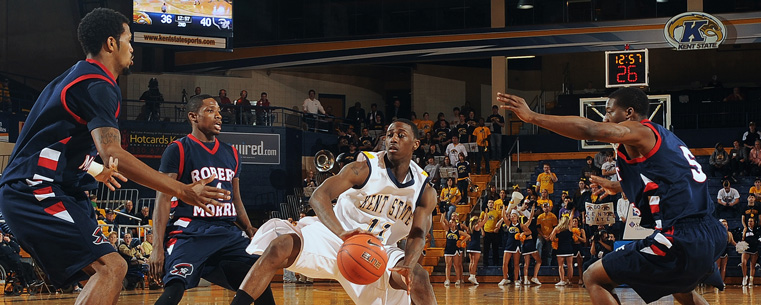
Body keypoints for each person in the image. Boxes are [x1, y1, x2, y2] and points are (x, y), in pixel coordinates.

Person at [0, 9, 228, 305]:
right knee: (113, 268)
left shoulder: (78, 76)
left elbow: (56, 143)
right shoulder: (98, 85)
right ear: (111, 43)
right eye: (128, 39)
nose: (132, 47)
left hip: (49, 187)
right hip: (34, 189)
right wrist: (181, 190)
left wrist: (94, 168)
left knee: (109, 274)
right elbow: (113, 152)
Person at [498, 87, 727, 304]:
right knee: (680, 286)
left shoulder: (639, 129)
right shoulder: (666, 138)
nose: (605, 118)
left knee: (593, 276)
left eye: (609, 112)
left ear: (629, 113)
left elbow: (590, 129)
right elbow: (669, 181)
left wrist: (533, 117)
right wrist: (618, 187)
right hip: (711, 231)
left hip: (682, 235)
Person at [236, 119, 437, 305]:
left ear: (416, 144)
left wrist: (408, 264)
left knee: (419, 277)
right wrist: (341, 233)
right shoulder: (364, 169)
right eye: (390, 134)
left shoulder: (424, 189)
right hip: (336, 236)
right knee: (280, 246)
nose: (393, 138)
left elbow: (418, 233)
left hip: (378, 249)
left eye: (401, 135)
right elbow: (319, 196)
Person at [150, 95, 274, 305]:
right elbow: (162, 199)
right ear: (193, 116)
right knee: (175, 287)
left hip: (227, 232)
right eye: (210, 111)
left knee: (259, 277)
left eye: (219, 112)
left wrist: (248, 226)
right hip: (191, 230)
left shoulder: (232, 153)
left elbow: (236, 198)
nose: (218, 116)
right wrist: (156, 247)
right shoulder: (178, 149)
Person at [441, 212, 468, 286]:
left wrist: (462, 241)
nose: (450, 223)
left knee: (456, 265)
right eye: (449, 222)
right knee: (448, 265)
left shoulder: (458, 232)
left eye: (452, 222)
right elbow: (441, 221)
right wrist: (443, 212)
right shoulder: (447, 230)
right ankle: (447, 280)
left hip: (456, 249)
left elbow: (468, 236)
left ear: (455, 224)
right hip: (448, 249)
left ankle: (458, 280)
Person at [519, 201, 542, 285]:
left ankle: (525, 279)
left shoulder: (519, 226)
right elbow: (531, 215)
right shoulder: (526, 225)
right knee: (539, 261)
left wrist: (517, 210)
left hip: (524, 245)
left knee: (526, 263)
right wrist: (533, 207)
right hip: (530, 244)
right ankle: (534, 277)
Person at [498, 210, 521, 286]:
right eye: (511, 216)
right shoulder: (509, 224)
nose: (512, 217)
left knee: (516, 264)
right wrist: (505, 209)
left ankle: (516, 280)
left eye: (514, 216)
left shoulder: (520, 225)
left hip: (516, 246)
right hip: (508, 245)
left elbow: (529, 231)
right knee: (505, 263)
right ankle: (505, 278)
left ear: (517, 217)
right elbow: (504, 217)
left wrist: (523, 234)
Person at [551, 216, 574, 286]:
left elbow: (551, 238)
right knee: (570, 265)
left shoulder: (557, 229)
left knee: (560, 266)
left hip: (561, 249)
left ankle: (562, 280)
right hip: (569, 248)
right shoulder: (570, 228)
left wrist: (556, 239)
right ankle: (569, 281)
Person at [481, 199, 502, 267]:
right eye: (489, 202)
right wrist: (482, 231)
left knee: (495, 249)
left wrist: (498, 228)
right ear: (487, 204)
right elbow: (479, 222)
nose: (491, 204)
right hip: (486, 232)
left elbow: (501, 221)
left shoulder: (497, 212)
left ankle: (496, 263)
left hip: (494, 232)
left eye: (492, 202)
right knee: (486, 249)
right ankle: (485, 263)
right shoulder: (483, 213)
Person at [466, 214, 486, 285]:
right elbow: (485, 220)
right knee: (475, 262)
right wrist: (486, 213)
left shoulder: (471, 227)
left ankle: (471, 275)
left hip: (470, 245)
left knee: (471, 262)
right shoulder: (477, 226)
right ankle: (472, 276)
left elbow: (483, 234)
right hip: (475, 246)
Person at [715, 219, 736, 284]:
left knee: (724, 267)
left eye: (726, 225)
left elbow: (733, 242)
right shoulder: (716, 233)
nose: (725, 226)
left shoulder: (729, 234)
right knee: (718, 267)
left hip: (725, 251)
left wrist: (740, 246)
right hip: (718, 251)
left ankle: (722, 281)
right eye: (723, 225)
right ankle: (716, 281)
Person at [537, 203, 558, 267]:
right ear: (542, 208)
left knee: (549, 250)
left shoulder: (553, 216)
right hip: (542, 235)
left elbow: (555, 228)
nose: (546, 208)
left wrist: (551, 235)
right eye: (544, 207)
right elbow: (538, 228)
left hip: (551, 235)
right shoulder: (540, 217)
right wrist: (543, 235)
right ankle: (538, 262)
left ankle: (549, 265)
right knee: (538, 244)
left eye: (547, 207)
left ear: (550, 208)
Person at [740, 217, 760, 286]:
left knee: (752, 265)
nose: (749, 223)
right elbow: (743, 238)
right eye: (748, 221)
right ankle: (744, 277)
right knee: (743, 263)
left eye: (751, 221)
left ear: (754, 222)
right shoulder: (745, 230)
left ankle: (751, 280)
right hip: (746, 249)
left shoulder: (757, 230)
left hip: (754, 249)